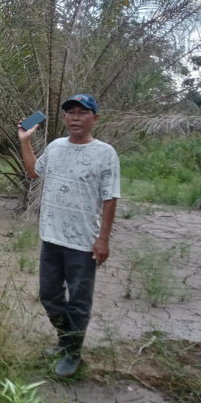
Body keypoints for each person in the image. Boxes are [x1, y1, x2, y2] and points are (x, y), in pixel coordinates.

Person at [17, 93, 120, 377]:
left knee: (78, 300)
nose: (75, 117)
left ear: (94, 118)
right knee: (49, 295)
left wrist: (103, 239)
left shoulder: (105, 153)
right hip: (51, 237)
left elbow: (110, 197)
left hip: (83, 243)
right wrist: (25, 140)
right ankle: (65, 339)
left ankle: (73, 352)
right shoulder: (55, 147)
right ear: (64, 118)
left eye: (82, 112)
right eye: (70, 112)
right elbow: (33, 172)